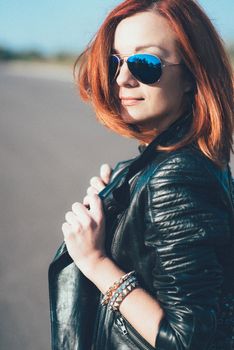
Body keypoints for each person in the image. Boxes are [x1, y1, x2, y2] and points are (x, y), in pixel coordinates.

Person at [48, 0, 234, 349]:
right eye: (114, 62)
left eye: (145, 64)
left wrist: (97, 261)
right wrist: (123, 204)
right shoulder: (191, 163)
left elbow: (187, 341)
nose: (122, 78)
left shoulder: (177, 178)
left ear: (193, 76)